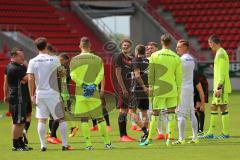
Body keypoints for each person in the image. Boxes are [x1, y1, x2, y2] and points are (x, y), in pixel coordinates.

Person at [27, 37, 72, 151]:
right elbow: (62, 76)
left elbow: (30, 78)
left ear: (36, 47)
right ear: (46, 45)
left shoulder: (32, 61)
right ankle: (65, 144)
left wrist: (31, 95)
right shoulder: (55, 60)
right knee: (61, 118)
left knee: (41, 119)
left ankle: (43, 145)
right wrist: (64, 92)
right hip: (53, 93)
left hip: (40, 93)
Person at [140, 33, 182, 147]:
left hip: (158, 89)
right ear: (171, 43)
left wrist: (150, 87)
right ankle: (169, 140)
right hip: (172, 88)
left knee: (155, 113)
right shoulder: (176, 57)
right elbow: (179, 77)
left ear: (161, 42)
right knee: (172, 113)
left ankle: (149, 140)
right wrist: (178, 91)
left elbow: (151, 74)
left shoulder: (155, 55)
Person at [70, 37, 111, 150]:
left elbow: (73, 76)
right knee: (100, 118)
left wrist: (84, 85)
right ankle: (107, 143)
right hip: (94, 92)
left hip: (81, 93)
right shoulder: (97, 59)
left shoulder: (74, 59)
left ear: (80, 46)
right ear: (90, 46)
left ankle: (88, 145)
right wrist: (93, 85)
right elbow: (101, 74)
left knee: (84, 119)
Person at [200, 35, 231, 139]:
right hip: (218, 86)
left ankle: (225, 133)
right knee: (213, 106)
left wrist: (219, 87)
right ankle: (210, 132)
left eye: (209, 43)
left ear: (213, 43)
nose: (209, 46)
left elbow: (222, 72)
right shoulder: (220, 53)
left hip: (221, 87)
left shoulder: (221, 53)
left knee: (222, 107)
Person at [5, 47, 32, 151]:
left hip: (20, 97)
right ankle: (15, 145)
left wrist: (26, 77)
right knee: (18, 122)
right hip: (18, 98)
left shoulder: (15, 66)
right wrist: (27, 68)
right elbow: (29, 77)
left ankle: (20, 143)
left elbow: (26, 79)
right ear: (14, 57)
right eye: (20, 56)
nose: (23, 58)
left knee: (21, 121)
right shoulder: (15, 68)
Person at [173, 39, 199, 145]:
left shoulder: (181, 60)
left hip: (182, 88)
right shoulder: (191, 59)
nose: (176, 48)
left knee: (180, 114)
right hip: (190, 88)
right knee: (192, 113)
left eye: (179, 47)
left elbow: (175, 74)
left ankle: (181, 139)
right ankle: (195, 137)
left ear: (185, 47)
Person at [112, 39, 135, 142]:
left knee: (125, 110)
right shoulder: (118, 56)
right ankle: (123, 135)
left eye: (128, 45)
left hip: (129, 88)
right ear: (121, 46)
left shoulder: (130, 58)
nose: (126, 47)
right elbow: (118, 73)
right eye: (124, 45)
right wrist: (123, 88)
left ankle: (125, 135)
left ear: (130, 47)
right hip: (122, 88)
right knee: (123, 110)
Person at [129, 44, 150, 142]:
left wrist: (143, 87)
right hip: (146, 89)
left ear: (137, 51)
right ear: (144, 51)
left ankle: (145, 131)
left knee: (132, 112)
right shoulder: (148, 61)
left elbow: (137, 76)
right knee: (144, 112)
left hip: (137, 89)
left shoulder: (135, 60)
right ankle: (145, 135)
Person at [45, 43, 61, 144]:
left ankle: (52, 135)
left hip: (43, 91)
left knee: (50, 115)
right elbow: (60, 76)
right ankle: (52, 135)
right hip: (54, 91)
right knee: (58, 115)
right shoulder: (56, 60)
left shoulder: (40, 60)